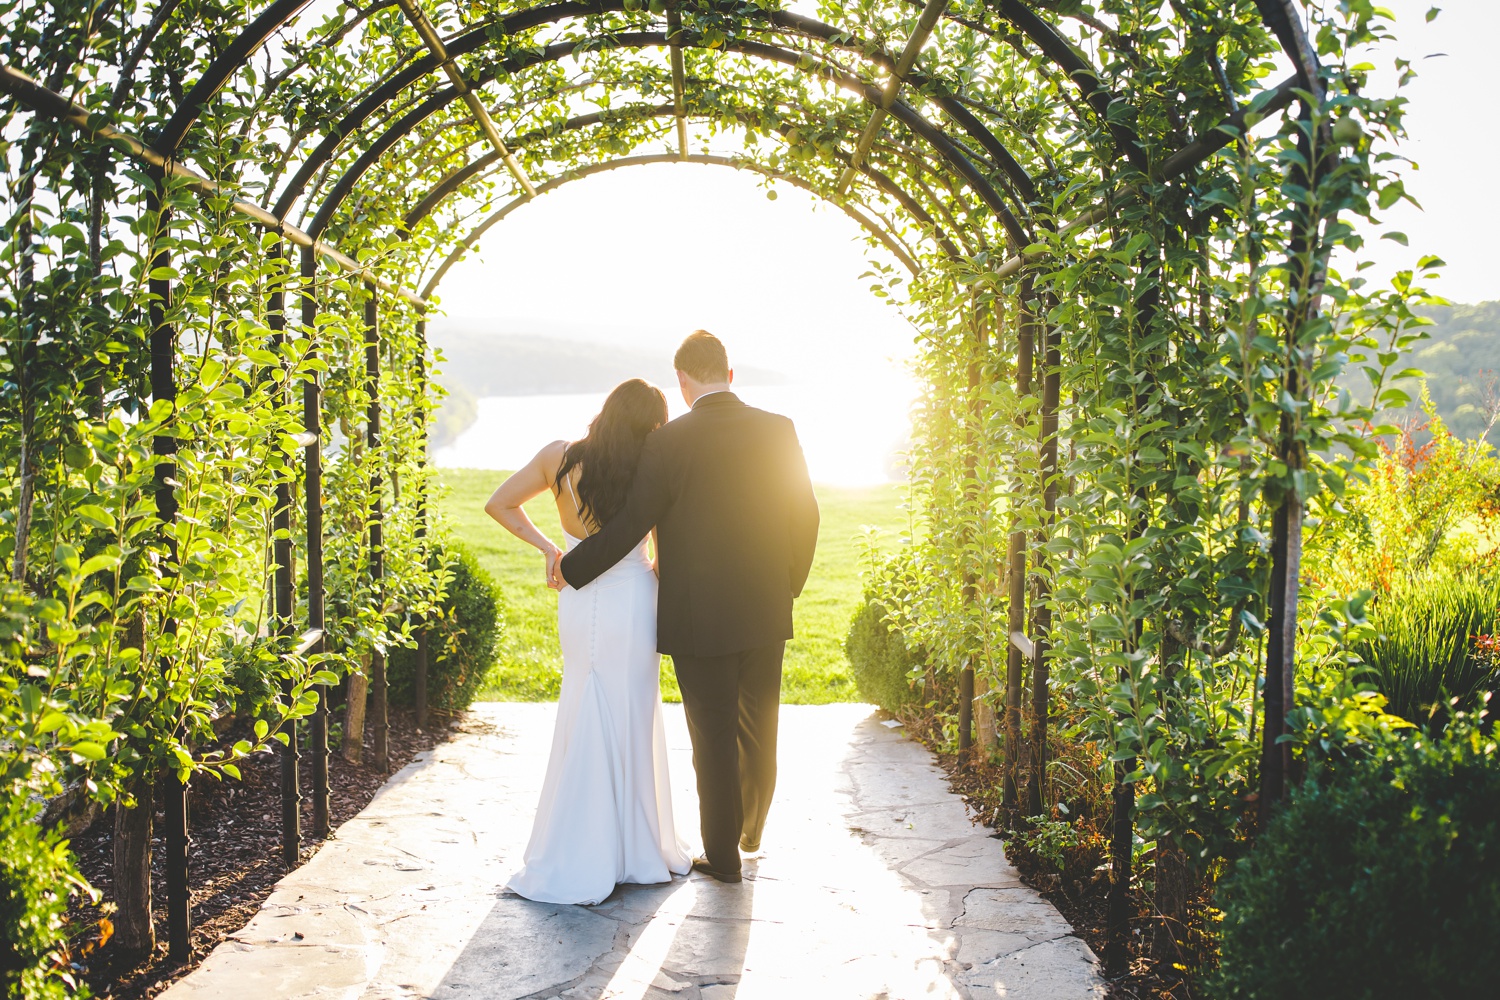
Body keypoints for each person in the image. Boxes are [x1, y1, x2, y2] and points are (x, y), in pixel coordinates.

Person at [557, 331, 820, 883]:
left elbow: (630, 524)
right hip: (765, 607)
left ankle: (723, 858)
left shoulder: (668, 442)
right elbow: (807, 515)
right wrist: (786, 585)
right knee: (760, 727)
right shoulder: (779, 429)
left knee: (712, 737)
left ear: (682, 382)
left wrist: (573, 567)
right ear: (729, 373)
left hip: (696, 617)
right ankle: (751, 827)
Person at [484, 378, 691, 905]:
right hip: (632, 598)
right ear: (651, 425)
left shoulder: (558, 458)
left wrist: (551, 548)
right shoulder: (648, 466)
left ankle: (576, 845)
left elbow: (500, 504)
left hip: (577, 597)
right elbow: (661, 552)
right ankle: (636, 849)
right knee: (634, 710)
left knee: (581, 704)